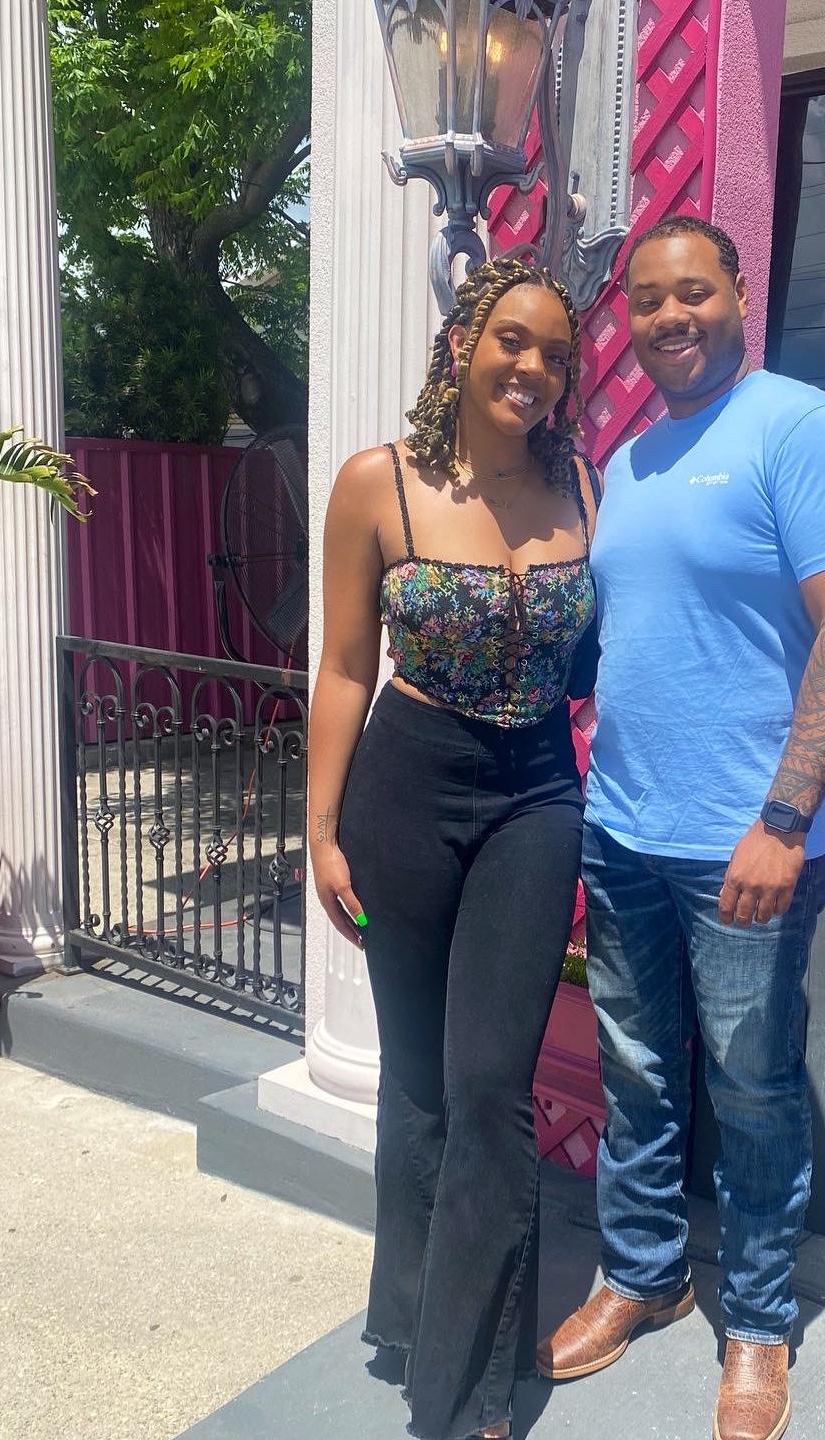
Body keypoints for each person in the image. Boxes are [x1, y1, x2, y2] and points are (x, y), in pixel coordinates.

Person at [537, 216, 825, 1440]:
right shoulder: (630, 461)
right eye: (647, 300)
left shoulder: (801, 429)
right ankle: (644, 1275)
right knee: (637, 1070)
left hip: (749, 843)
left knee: (751, 1087)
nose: (669, 317)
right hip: (625, 828)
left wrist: (784, 821)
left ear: (739, 292)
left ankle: (758, 1324)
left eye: (693, 291)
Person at [308, 256, 600, 1440]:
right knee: (418, 1082)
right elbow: (343, 666)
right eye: (512, 341)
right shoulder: (376, 483)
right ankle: (407, 1312)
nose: (533, 368)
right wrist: (321, 827)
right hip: (405, 787)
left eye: (556, 355)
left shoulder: (584, 486)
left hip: (537, 794)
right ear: (462, 345)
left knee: (489, 1088)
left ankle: (468, 1386)